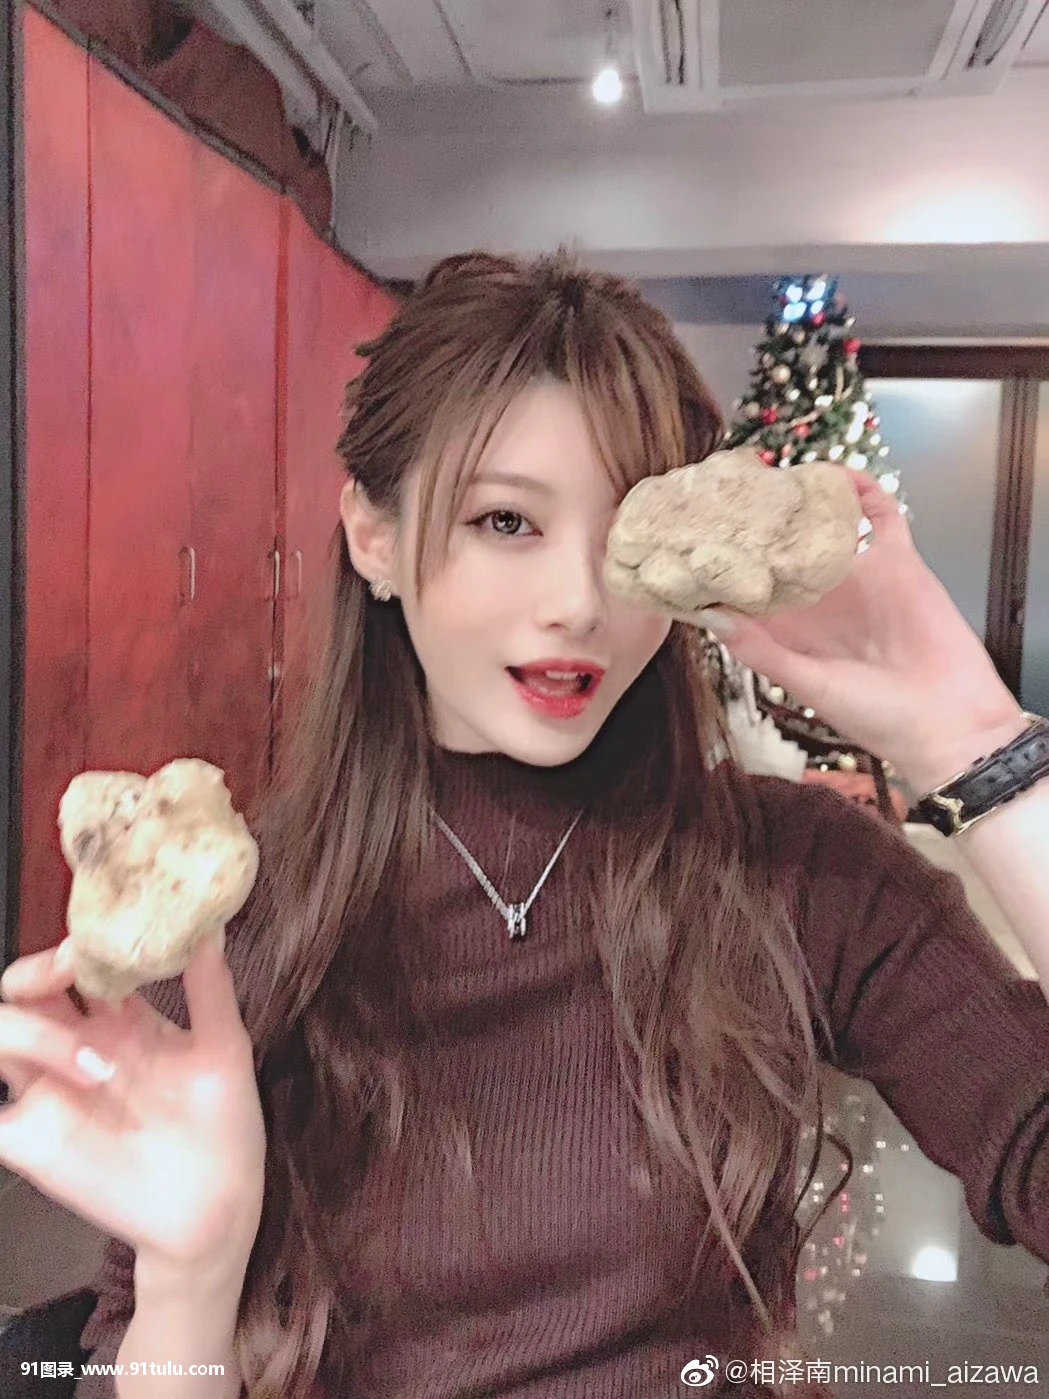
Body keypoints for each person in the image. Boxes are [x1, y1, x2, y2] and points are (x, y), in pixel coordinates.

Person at [2, 248, 1049, 1399]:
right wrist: (192, 1278)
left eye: (621, 533)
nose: (579, 603)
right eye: (506, 520)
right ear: (374, 536)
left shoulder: (797, 876)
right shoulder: (232, 935)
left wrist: (977, 745)